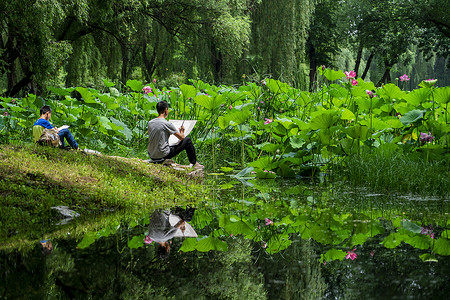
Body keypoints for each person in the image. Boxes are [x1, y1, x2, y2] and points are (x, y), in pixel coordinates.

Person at [147, 100, 203, 168]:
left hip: (152, 155)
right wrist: (182, 131)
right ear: (166, 110)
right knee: (187, 140)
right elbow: (182, 137)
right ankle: (194, 163)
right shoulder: (167, 124)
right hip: (163, 154)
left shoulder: (150, 123)